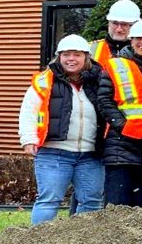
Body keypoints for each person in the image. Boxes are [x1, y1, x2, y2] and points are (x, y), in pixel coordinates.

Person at [18, 34, 105, 225]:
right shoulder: (45, 81)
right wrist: (28, 138)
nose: (71, 59)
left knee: (91, 202)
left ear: (86, 57)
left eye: (76, 55)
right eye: (66, 54)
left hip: (91, 154)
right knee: (49, 202)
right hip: (54, 151)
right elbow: (29, 110)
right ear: (59, 57)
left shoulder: (99, 80)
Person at [97, 19, 142, 207]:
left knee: (140, 206)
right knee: (117, 205)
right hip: (121, 144)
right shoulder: (116, 65)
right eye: (137, 38)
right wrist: (123, 126)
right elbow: (104, 101)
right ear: (130, 40)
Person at [89, 0, 141, 64]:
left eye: (124, 24)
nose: (119, 29)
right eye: (115, 23)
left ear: (135, 26)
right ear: (108, 23)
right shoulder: (90, 48)